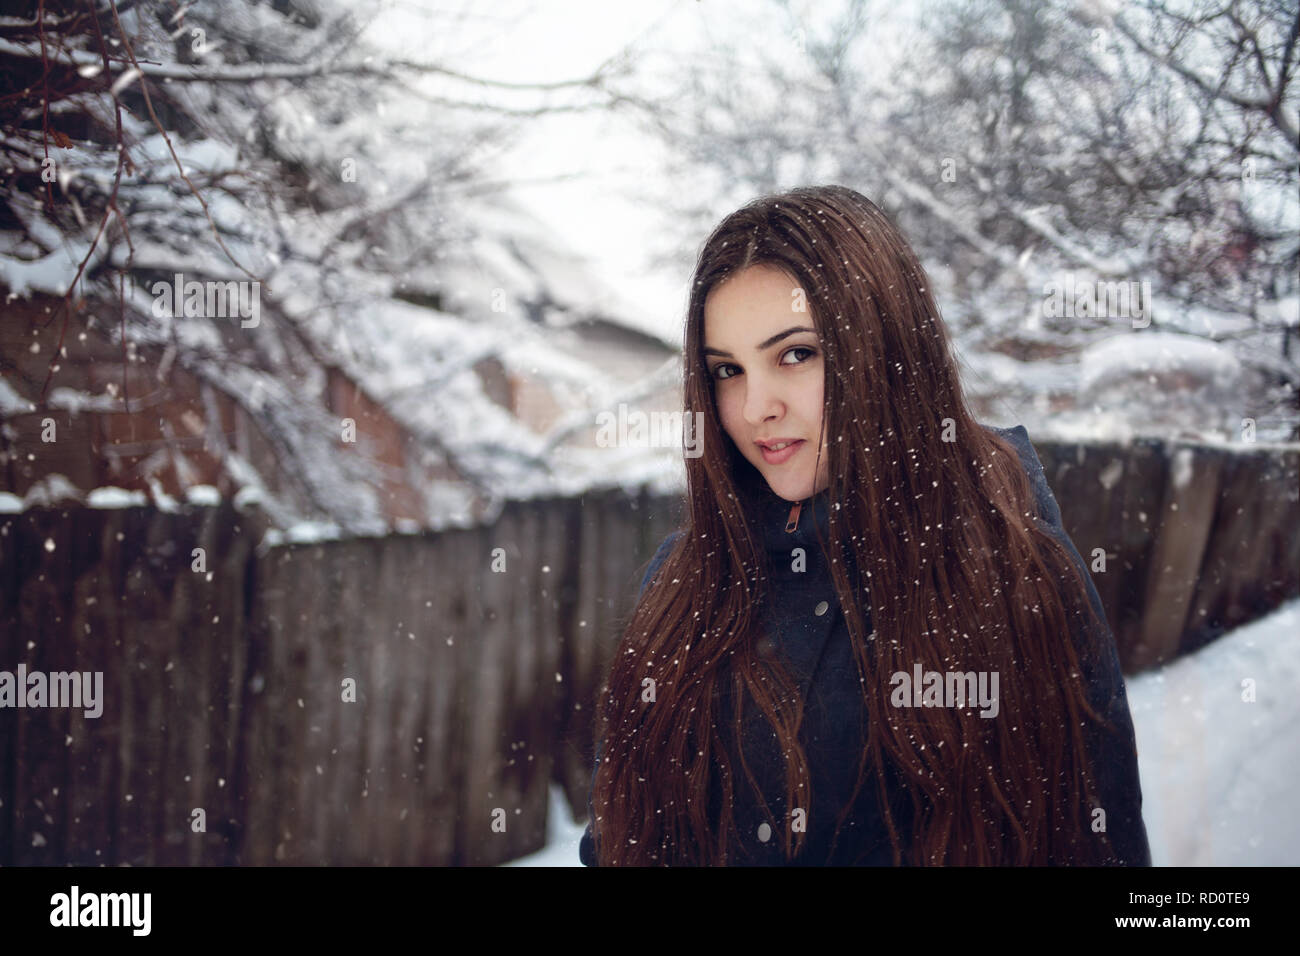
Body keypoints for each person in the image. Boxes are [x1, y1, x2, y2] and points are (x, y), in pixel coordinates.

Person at [579, 185, 1151, 866]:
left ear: (882, 347)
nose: (756, 405)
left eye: (795, 354)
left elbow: (1095, 846)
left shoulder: (1012, 572)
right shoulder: (682, 582)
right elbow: (617, 841)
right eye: (727, 371)